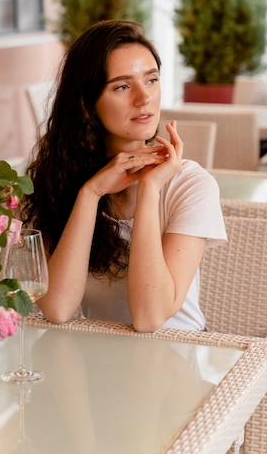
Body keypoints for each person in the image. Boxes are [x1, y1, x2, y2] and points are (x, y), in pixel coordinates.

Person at [21, 20, 226, 332]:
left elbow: (150, 318)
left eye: (152, 80)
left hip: (177, 357)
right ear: (87, 104)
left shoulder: (190, 185)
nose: (144, 98)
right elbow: (59, 308)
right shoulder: (58, 180)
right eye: (122, 86)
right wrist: (90, 194)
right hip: (99, 358)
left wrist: (149, 188)